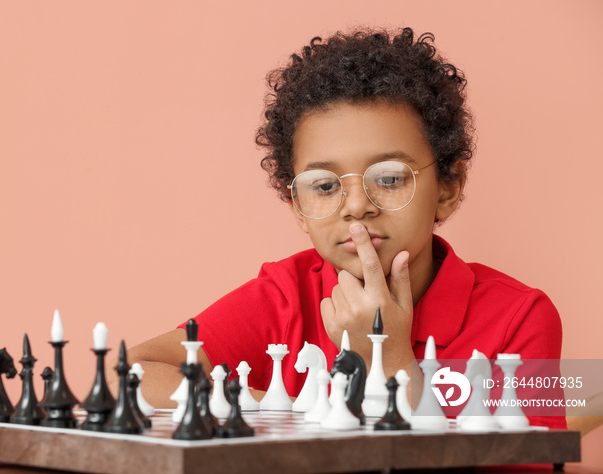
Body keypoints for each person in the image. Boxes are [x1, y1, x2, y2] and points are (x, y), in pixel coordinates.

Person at [125, 27, 565, 429]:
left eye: (390, 178)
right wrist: (303, 406)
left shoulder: (521, 318)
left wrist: (388, 356)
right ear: (298, 206)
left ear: (448, 187)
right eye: (324, 185)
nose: (356, 206)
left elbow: (533, 462)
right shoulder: (284, 297)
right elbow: (128, 373)